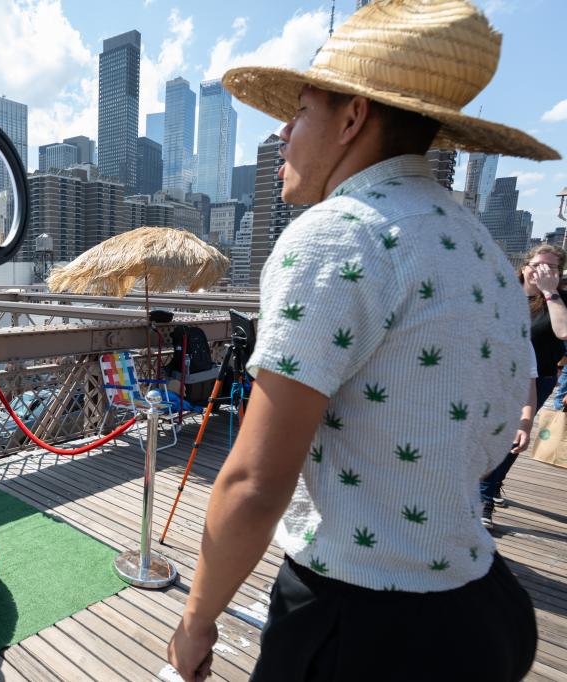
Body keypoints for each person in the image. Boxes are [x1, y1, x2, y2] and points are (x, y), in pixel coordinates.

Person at [166, 2, 559, 681]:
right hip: (484, 613)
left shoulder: (339, 234)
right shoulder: (486, 253)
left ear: (352, 118)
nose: (282, 133)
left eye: (301, 111)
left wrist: (196, 623)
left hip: (362, 627)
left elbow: (256, 482)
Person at [481, 245, 567, 527]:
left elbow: (564, 332)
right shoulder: (504, 291)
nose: (541, 271)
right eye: (537, 264)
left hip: (536, 379)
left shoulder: (558, 300)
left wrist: (550, 291)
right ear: (525, 265)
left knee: (512, 439)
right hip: (493, 378)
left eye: (551, 268)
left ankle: (487, 495)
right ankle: (486, 490)